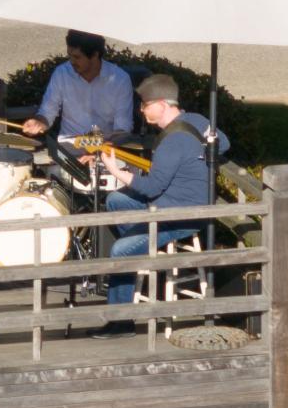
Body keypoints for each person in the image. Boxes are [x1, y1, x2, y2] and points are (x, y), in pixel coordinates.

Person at [96, 74, 230, 313]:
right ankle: (145, 252)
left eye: (145, 105)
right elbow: (225, 143)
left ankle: (119, 320)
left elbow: (151, 188)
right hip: (176, 202)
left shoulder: (172, 141)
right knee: (116, 200)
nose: (141, 110)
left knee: (121, 250)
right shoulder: (197, 120)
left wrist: (115, 170)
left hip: (179, 213)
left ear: (162, 105)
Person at [21, 30, 135, 143]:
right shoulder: (62, 73)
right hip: (68, 147)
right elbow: (47, 112)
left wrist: (101, 151)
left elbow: (123, 128)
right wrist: (38, 123)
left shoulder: (120, 79)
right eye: (69, 55)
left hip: (105, 147)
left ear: (95, 55)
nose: (71, 61)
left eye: (77, 57)